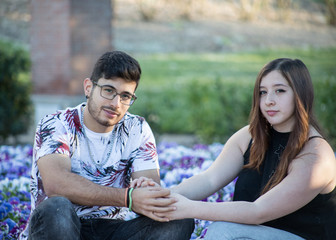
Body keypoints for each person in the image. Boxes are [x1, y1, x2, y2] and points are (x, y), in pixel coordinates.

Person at [134, 58, 336, 239]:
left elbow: (259, 211)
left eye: (280, 90)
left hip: (301, 236)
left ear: (301, 95)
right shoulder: (250, 136)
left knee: (223, 232)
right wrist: (160, 197)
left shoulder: (316, 155)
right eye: (262, 92)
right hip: (252, 233)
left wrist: (188, 208)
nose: (268, 101)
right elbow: (209, 179)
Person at [19, 51, 194, 240]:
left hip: (113, 229)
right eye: (108, 90)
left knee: (180, 220)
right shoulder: (57, 123)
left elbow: (150, 197)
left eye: (126, 96)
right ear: (88, 87)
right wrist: (128, 197)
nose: (116, 104)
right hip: (61, 226)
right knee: (56, 208)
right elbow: (56, 184)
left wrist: (145, 188)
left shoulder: (137, 128)